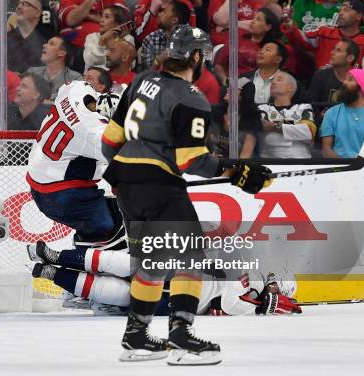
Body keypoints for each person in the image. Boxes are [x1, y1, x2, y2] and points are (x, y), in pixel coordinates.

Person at [100, 25, 273, 365]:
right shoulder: (191, 98)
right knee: (190, 258)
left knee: (152, 261)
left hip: (126, 183)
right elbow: (191, 159)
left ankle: (136, 337)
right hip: (158, 186)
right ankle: (181, 338)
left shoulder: (140, 81)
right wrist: (235, 171)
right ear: (196, 57)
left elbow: (109, 141)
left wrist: (133, 175)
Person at [30, 243, 301, 316]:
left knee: (117, 292)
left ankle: (52, 272)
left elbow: (227, 306)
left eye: (278, 285)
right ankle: (56, 257)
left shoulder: (249, 300)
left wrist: (260, 306)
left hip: (176, 297)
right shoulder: (252, 276)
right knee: (120, 266)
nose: (273, 281)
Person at [27, 81, 127, 273]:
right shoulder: (96, 133)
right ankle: (82, 284)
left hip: (43, 184)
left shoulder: (75, 90)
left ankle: (64, 267)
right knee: (108, 235)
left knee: (106, 224)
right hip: (62, 194)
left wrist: (100, 103)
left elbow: (74, 89)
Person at [281, 0, 364, 72]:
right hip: (322, 84)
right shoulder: (325, 33)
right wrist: (289, 23)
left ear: (359, 16)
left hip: (352, 89)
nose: (340, 13)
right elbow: (302, 39)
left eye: (346, 10)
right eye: (340, 10)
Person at [320, 68, 364, 158]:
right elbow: (326, 149)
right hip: (338, 168)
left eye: (350, 79)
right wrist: (345, 169)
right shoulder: (331, 113)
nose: (344, 82)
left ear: (361, 86)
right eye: (345, 79)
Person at [257, 71, 317, 158]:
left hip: (300, 162)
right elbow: (264, 128)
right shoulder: (263, 108)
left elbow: (308, 131)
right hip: (270, 161)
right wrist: (295, 127)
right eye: (272, 80)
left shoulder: (303, 107)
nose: (273, 82)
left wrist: (276, 126)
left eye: (279, 79)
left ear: (290, 87)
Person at [308, 39, 360, 120]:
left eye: (338, 50)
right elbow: (310, 104)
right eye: (334, 49)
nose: (332, 52)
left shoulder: (360, 79)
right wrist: (320, 116)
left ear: (350, 58)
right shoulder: (320, 75)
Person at [7, 0, 56, 74]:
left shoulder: (47, 41)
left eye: (25, 4)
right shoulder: (6, 39)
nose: (19, 7)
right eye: (18, 4)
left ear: (37, 13)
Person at [27, 36, 83, 100]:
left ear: (62, 53)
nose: (44, 45)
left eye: (51, 44)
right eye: (46, 43)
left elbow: (77, 100)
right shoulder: (32, 72)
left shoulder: (75, 78)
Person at [140, 0, 190, 70]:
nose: (159, 14)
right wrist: (158, 61)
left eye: (164, 12)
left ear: (174, 20)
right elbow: (145, 75)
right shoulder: (151, 39)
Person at [82, 4, 134, 71]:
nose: (101, 20)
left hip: (116, 79)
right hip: (93, 78)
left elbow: (129, 64)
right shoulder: (92, 37)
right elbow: (90, 61)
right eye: (102, 16)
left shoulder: (127, 39)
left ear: (117, 23)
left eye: (107, 17)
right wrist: (101, 41)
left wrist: (117, 41)